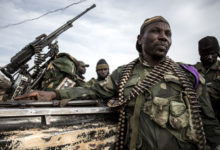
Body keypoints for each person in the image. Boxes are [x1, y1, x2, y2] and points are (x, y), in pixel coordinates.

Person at [16, 16, 220, 150]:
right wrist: (54, 94)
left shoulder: (188, 74)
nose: (163, 37)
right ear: (140, 39)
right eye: (156, 31)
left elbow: (209, 123)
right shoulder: (124, 74)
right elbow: (94, 90)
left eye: (168, 34)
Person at [194, 36, 220, 121]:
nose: (210, 57)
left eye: (213, 53)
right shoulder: (193, 70)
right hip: (198, 119)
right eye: (206, 54)